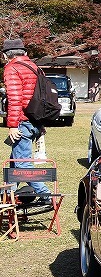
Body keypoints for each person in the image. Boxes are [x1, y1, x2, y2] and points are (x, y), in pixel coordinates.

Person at [3, 38, 53, 210]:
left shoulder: (12, 68)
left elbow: (15, 99)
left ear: (5, 55)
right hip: (35, 121)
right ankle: (6, 196)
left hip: (23, 122)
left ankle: (46, 196)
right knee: (14, 160)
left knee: (22, 164)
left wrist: (12, 125)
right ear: (24, 52)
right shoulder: (34, 67)